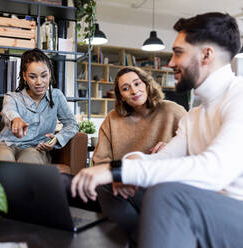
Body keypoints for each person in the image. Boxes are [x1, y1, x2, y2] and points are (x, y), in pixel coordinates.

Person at [71, 12, 243, 248]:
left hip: (235, 213)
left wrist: (120, 170)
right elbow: (163, 157)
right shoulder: (194, 117)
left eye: (178, 52)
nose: (170, 62)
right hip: (201, 207)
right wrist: (123, 167)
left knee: (167, 194)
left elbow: (214, 169)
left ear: (206, 54)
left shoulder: (239, 96)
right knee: (119, 186)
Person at [91, 66, 185, 238]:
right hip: (122, 185)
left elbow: (193, 149)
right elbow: (99, 162)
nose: (134, 91)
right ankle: (143, 238)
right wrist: (118, 177)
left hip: (159, 184)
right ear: (122, 97)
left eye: (137, 83)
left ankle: (138, 238)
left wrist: (171, 149)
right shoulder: (112, 119)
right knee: (102, 184)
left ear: (147, 85)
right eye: (125, 88)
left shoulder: (173, 111)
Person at [0, 48, 78, 164]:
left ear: (50, 74)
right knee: (3, 158)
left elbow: (72, 124)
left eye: (44, 76)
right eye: (33, 77)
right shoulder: (12, 97)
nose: (39, 82)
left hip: (35, 149)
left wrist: (57, 139)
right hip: (5, 145)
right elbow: (8, 111)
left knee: (29, 161)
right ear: (24, 76)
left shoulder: (56, 96)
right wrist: (16, 120)